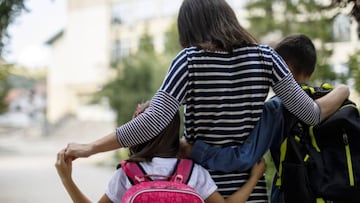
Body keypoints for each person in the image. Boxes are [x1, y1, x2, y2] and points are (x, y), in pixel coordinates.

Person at [64, 0, 349, 201]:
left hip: (200, 188)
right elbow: (311, 114)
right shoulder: (266, 57)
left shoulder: (189, 61)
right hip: (251, 188)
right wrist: (343, 91)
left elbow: (153, 122)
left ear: (189, 27)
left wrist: (91, 147)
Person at [178, 34, 328, 202]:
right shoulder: (326, 99)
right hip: (327, 192)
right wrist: (343, 90)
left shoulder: (277, 108)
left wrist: (195, 151)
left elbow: (244, 156)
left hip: (291, 194)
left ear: (284, 67)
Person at [55, 102, 266, 203]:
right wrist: (254, 178)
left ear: (136, 133)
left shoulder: (127, 174)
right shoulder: (193, 172)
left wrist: (67, 180)